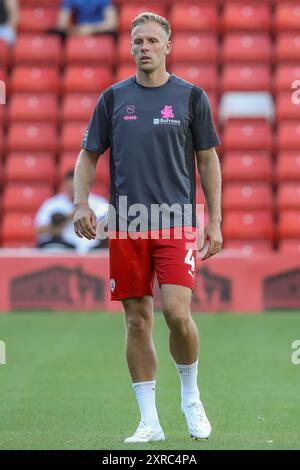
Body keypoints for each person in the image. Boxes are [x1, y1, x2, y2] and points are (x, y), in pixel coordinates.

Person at [73, 12, 222, 443]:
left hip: (175, 222)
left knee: (177, 314)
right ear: (131, 46)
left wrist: (215, 220)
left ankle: (191, 397)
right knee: (137, 321)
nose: (144, 47)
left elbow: (208, 159)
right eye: (138, 40)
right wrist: (82, 202)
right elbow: (88, 155)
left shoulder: (191, 97)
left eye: (153, 40)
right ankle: (149, 422)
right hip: (125, 224)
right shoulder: (114, 98)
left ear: (167, 46)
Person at [36, 170, 108, 254]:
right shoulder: (52, 204)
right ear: (64, 186)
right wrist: (65, 219)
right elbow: (39, 230)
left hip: (94, 250)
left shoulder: (99, 203)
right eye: (70, 188)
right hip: (63, 250)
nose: (73, 191)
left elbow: (110, 230)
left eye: (76, 188)